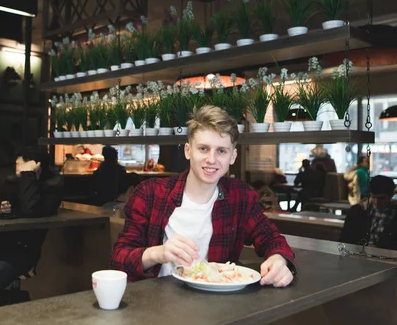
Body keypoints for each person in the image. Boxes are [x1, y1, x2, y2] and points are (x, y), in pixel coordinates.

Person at [111, 105, 295, 287]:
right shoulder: (150, 193)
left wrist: (279, 259)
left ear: (233, 156)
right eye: (203, 149)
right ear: (188, 150)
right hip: (156, 304)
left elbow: (271, 238)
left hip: (217, 306)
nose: (212, 159)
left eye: (221, 151)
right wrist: (158, 253)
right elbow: (119, 258)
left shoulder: (240, 196)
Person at [0, 147, 62, 307]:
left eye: (20, 164)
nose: (16, 168)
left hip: (23, 251)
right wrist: (2, 209)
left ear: (35, 165)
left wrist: (28, 175)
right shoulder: (13, 183)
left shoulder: (51, 188)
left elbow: (31, 209)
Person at [339, 175, 397, 250]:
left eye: (382, 198)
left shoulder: (394, 214)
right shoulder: (357, 211)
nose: (377, 202)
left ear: (391, 196)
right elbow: (345, 238)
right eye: (373, 197)